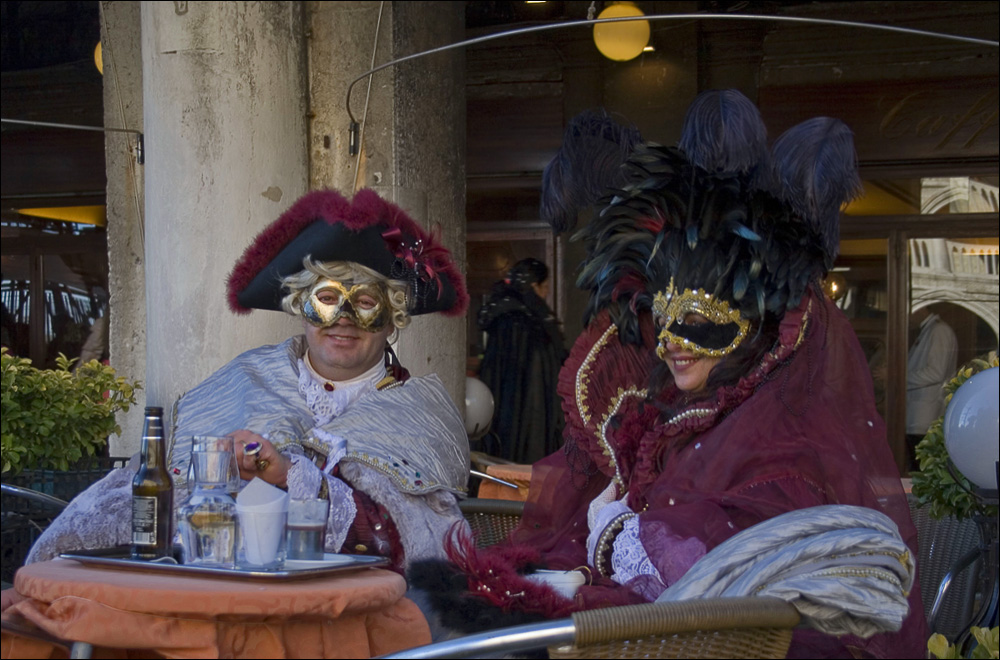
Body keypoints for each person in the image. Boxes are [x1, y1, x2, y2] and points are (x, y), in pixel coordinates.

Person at [411, 91, 927, 658]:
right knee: (435, 605)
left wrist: (611, 532)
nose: (672, 344)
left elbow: (722, 590)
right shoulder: (677, 422)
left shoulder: (782, 451)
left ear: (758, 331)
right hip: (641, 634)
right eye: (662, 319)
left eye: (701, 322)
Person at [26, 188, 472, 573]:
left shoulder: (417, 413)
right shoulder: (243, 380)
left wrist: (295, 478)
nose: (344, 320)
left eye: (367, 303)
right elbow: (149, 507)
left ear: (392, 319)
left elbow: (427, 550)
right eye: (328, 299)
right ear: (300, 307)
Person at [476, 258, 568, 463]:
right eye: (545, 287)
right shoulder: (536, 325)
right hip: (532, 424)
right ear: (534, 286)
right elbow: (541, 383)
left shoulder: (502, 318)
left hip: (499, 420)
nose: (546, 294)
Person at [905, 305, 958, 470]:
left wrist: (898, 377)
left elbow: (936, 373)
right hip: (917, 416)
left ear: (919, 309)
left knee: (920, 470)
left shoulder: (939, 331)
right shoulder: (928, 330)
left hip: (925, 417)